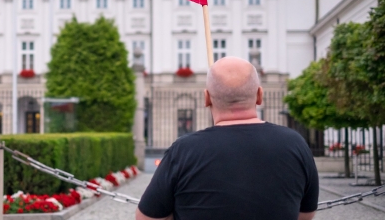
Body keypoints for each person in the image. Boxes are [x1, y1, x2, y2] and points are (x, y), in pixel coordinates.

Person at [136, 56, 318, 220]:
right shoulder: (295, 144)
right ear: (260, 95)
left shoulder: (184, 150)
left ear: (206, 98)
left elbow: (146, 218)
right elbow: (305, 214)